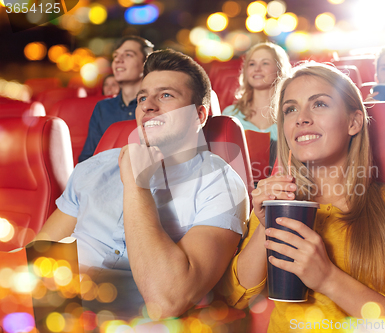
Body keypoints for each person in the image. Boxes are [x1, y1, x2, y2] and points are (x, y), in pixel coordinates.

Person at [221, 62, 385, 332]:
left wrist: (328, 279)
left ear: (353, 122)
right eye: (290, 109)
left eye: (319, 104)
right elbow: (236, 298)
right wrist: (266, 225)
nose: (301, 118)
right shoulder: (278, 202)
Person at [35, 49, 248, 320]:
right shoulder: (95, 167)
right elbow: (38, 256)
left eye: (166, 95)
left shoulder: (220, 184)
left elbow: (168, 300)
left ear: (200, 115)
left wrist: (137, 184)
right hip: (53, 310)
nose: (148, 105)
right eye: (142, 97)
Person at [78, 36, 154, 163]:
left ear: (146, 64)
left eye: (128, 55)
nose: (118, 60)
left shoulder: (156, 107)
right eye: (115, 56)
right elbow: (88, 158)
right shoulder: (103, 108)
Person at [223, 43, 291, 182]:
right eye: (252, 64)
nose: (257, 69)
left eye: (265, 63)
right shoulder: (230, 115)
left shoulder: (290, 114)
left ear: (280, 69)